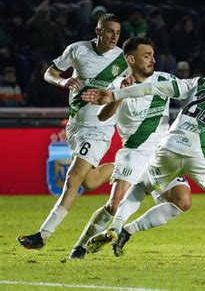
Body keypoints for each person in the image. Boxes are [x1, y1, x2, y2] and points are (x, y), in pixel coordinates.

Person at [81, 53, 205, 260]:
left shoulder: (202, 81)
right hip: (204, 155)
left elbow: (153, 87)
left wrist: (115, 95)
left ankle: (118, 226)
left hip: (169, 146)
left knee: (142, 187)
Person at [68, 37, 191, 259]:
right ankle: (80, 245)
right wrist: (119, 97)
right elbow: (103, 116)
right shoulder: (117, 85)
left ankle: (125, 231)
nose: (152, 60)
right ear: (131, 59)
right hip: (133, 153)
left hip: (163, 155)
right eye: (146, 56)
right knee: (115, 206)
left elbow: (190, 95)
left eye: (153, 55)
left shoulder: (165, 80)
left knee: (182, 201)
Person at [17, 13, 128, 250]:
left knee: (73, 178)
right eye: (109, 31)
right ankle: (127, 167)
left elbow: (132, 88)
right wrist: (62, 82)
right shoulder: (77, 50)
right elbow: (49, 73)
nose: (114, 37)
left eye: (118, 33)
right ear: (98, 31)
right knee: (89, 182)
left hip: (100, 128)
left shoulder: (122, 59)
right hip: (76, 125)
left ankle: (43, 235)